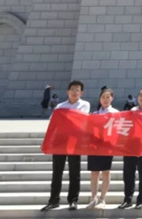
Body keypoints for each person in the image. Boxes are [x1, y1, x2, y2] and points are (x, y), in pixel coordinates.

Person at [40, 80, 91, 211]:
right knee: (57, 172)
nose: (74, 92)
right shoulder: (60, 106)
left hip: (74, 142)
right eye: (72, 89)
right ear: (67, 91)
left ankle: (73, 200)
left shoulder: (85, 105)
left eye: (77, 90)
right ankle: (53, 200)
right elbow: (53, 121)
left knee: (74, 172)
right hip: (60, 141)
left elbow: (82, 120)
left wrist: (67, 118)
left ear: (81, 93)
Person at [118, 89, 142, 210]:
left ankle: (141, 200)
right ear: (137, 98)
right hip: (130, 145)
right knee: (128, 173)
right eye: (141, 95)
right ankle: (127, 199)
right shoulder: (133, 110)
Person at [86, 88, 118, 209]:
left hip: (107, 146)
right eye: (103, 97)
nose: (105, 99)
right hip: (94, 146)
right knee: (94, 172)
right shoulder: (94, 114)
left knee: (105, 171)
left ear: (112, 98)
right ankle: (93, 198)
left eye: (108, 97)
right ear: (100, 99)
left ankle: (102, 198)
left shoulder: (116, 113)